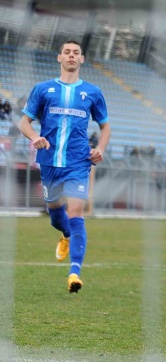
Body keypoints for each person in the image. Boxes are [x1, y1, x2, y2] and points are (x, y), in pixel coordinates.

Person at [19, 40, 110, 294]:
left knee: (76, 213)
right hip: (49, 162)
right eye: (67, 52)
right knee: (56, 217)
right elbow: (24, 122)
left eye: (76, 53)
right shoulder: (43, 89)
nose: (71, 55)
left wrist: (100, 149)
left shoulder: (92, 92)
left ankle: (74, 273)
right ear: (59, 57)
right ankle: (66, 236)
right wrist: (34, 136)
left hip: (78, 162)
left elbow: (105, 126)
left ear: (82, 59)